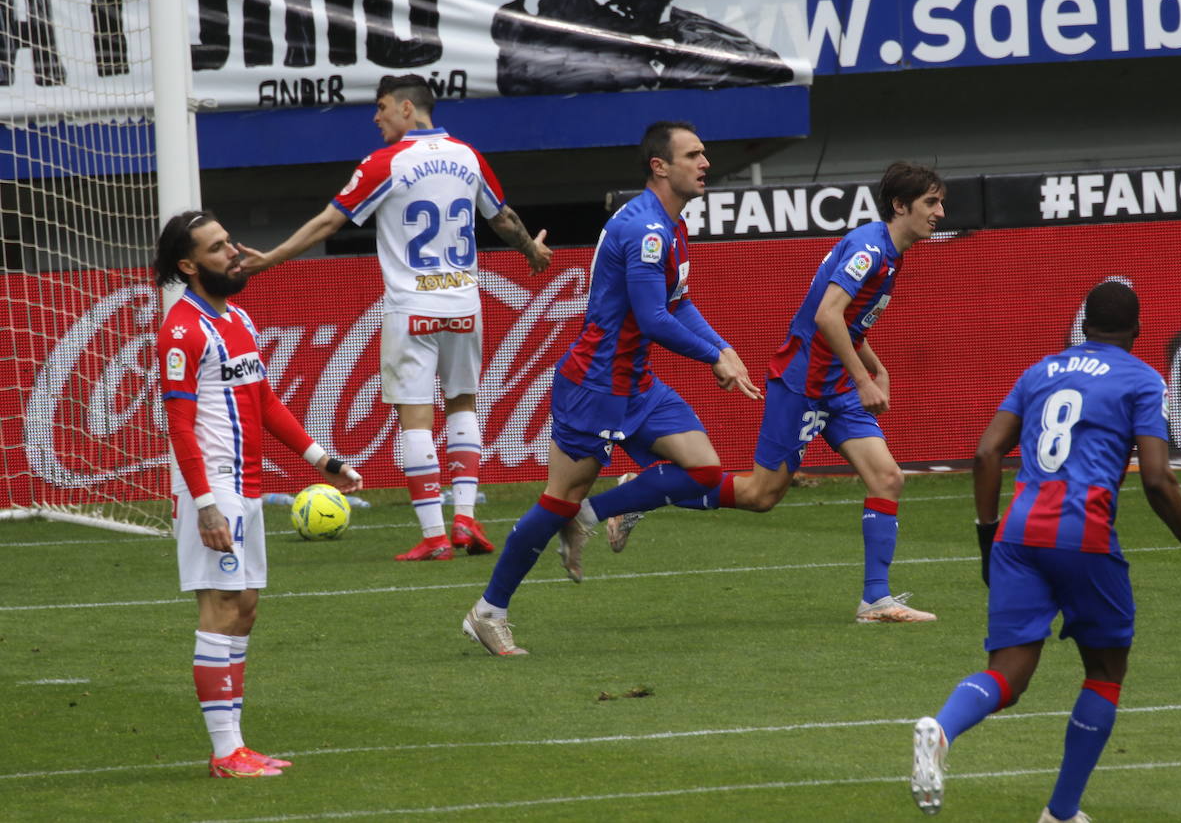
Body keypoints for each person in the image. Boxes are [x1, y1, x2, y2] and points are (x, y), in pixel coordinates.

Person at [909, 280, 1181, 820]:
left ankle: (942, 728)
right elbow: (1156, 478)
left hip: (1018, 534)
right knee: (1104, 670)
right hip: (1082, 534)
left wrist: (989, 537)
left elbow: (987, 452)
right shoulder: (1143, 379)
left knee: (1008, 673)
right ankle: (1060, 813)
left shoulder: (1039, 371)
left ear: (1083, 327)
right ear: (1138, 330)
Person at [461, 120, 761, 656]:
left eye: (704, 154)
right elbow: (651, 317)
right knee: (557, 501)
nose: (705, 163)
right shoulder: (646, 230)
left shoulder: (670, 224)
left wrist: (723, 346)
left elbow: (679, 301)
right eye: (693, 155)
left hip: (636, 381)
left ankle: (596, 514)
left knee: (705, 470)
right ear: (659, 166)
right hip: (596, 384)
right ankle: (488, 611)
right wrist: (712, 355)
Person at [605, 162, 947, 624]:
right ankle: (639, 492)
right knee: (760, 495)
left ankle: (876, 601)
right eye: (931, 202)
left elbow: (848, 324)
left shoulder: (890, 252)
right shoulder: (870, 248)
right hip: (804, 385)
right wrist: (865, 379)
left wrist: (874, 368)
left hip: (837, 387)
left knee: (887, 477)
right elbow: (827, 316)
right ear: (901, 206)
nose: (940, 212)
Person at [237, 74, 551, 562]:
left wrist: (270, 258)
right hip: (465, 304)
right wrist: (532, 251)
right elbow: (503, 218)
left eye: (381, 106)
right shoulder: (468, 156)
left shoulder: (384, 163)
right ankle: (465, 518)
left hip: (413, 307)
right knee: (464, 404)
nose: (375, 116)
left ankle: (435, 536)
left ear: (408, 108)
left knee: (415, 419)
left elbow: (329, 220)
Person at [155, 211, 363, 778]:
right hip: (212, 486)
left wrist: (324, 461)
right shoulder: (182, 329)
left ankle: (236, 746)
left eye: (229, 242)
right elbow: (179, 426)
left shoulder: (238, 317)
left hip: (247, 484)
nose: (234, 252)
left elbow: (266, 402)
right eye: (218, 248)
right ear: (189, 264)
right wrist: (204, 504)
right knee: (220, 609)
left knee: (244, 609)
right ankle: (226, 753)